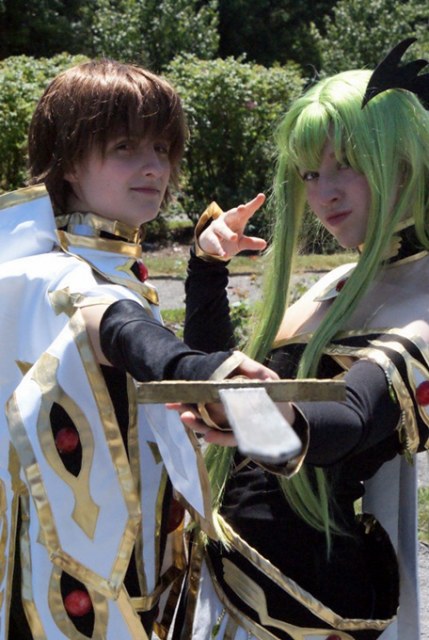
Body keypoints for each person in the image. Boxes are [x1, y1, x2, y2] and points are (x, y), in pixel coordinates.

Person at [0, 59, 276, 640]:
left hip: (136, 558)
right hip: (65, 580)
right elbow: (107, 322)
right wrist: (193, 368)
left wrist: (205, 267)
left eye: (161, 147)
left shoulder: (105, 263)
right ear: (68, 162)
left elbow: (164, 372)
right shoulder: (46, 271)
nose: (154, 167)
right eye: (125, 147)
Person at [172, 40, 429, 640]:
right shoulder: (335, 283)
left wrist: (269, 420)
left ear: (407, 162)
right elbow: (213, 379)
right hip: (216, 578)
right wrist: (207, 272)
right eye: (311, 173)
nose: (323, 194)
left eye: (348, 165)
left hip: (304, 606)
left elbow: (354, 417)